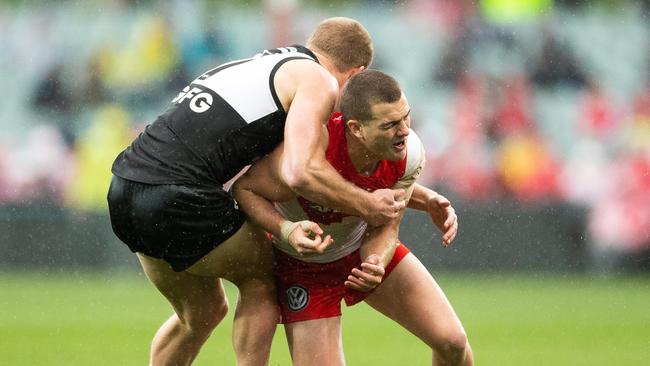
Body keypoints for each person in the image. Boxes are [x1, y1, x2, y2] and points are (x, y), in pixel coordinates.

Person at [107, 17, 406, 366]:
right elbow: (300, 171)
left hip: (124, 188)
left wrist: (422, 196)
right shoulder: (319, 80)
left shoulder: (261, 63)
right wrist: (367, 205)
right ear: (356, 74)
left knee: (200, 313)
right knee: (260, 280)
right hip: (177, 193)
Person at [233, 70, 474, 365]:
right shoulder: (309, 149)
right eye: (390, 124)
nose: (404, 131)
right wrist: (285, 229)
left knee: (453, 343)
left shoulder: (410, 154)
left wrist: (376, 261)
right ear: (356, 128)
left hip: (357, 252)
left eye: (405, 117)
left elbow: (386, 224)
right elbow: (245, 188)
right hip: (303, 271)